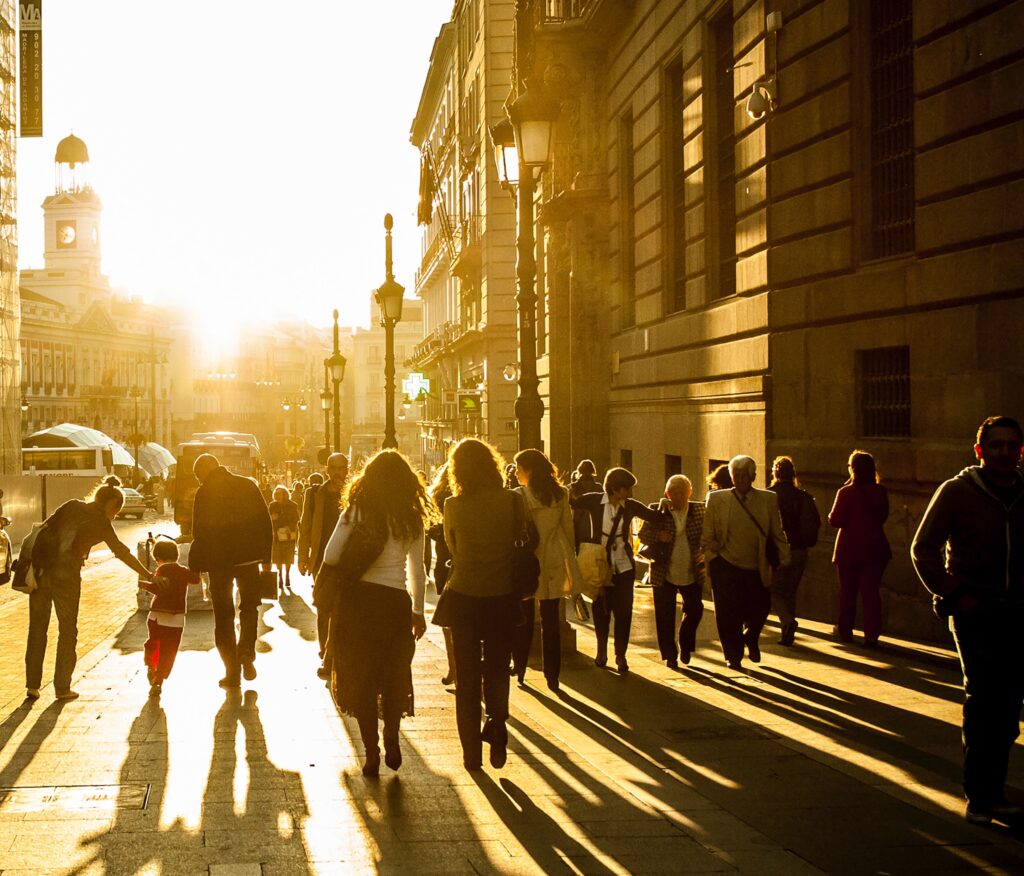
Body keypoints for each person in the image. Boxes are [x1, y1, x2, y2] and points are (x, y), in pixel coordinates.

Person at [911, 416, 1024, 825]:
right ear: (980, 451)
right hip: (977, 613)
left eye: (1013, 445)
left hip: (1019, 614)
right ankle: (981, 795)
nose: (1005, 452)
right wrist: (957, 595)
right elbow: (923, 550)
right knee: (984, 702)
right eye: (997, 445)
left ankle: (994, 790)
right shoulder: (957, 492)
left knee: (1010, 707)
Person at [322, 450, 429, 777]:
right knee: (392, 673)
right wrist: (418, 610)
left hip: (359, 604)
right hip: (394, 604)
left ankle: (371, 751)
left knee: (363, 678)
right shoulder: (410, 516)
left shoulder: (356, 512)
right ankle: (392, 735)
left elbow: (330, 554)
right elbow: (418, 570)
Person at [25, 476, 155, 700]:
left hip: (41, 571)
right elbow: (122, 552)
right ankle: (62, 687)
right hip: (66, 577)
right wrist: (148, 575)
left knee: (37, 629)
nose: (115, 515)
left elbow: (44, 530)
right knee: (68, 631)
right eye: (116, 510)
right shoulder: (101, 523)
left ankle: (32, 686)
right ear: (111, 504)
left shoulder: (71, 505)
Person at [442, 438, 526, 770]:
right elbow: (519, 538)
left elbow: (453, 549)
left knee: (467, 675)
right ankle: (497, 723)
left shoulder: (453, 505)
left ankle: (470, 754)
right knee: (496, 667)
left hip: (463, 596)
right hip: (501, 597)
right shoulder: (512, 502)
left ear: (457, 470)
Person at [188, 454, 273, 689]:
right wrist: (267, 558)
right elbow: (265, 522)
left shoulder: (204, 492)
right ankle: (246, 651)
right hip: (248, 561)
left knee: (223, 616)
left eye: (198, 477)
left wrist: (197, 566)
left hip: (219, 564)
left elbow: (199, 532)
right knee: (249, 607)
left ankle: (231, 672)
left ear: (203, 472)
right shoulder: (247, 484)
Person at [571, 467, 666, 673]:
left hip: (624, 566)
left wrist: (666, 504)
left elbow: (654, 517)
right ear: (616, 489)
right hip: (600, 565)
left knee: (624, 612)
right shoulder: (595, 501)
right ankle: (601, 651)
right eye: (628, 489)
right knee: (601, 610)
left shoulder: (630, 506)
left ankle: (620, 655)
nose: (631, 493)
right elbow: (572, 502)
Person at [701, 456, 790, 670]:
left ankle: (751, 637)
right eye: (736, 475)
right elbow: (707, 534)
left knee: (760, 608)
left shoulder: (768, 499)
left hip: (756, 565)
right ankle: (733, 654)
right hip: (725, 563)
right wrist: (711, 553)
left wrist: (784, 555)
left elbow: (776, 532)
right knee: (727, 613)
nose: (740, 480)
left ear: (753, 477)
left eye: (744, 475)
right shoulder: (716, 498)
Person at [511, 448, 579, 692]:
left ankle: (519, 667)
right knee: (551, 622)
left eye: (519, 468)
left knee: (524, 618)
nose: (516, 473)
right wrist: (570, 561)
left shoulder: (519, 496)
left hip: (527, 562)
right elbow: (568, 532)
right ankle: (553, 674)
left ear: (528, 470)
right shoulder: (561, 494)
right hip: (553, 559)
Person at [638, 474, 706, 668]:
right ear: (667, 493)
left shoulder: (699, 510)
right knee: (664, 615)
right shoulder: (658, 510)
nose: (678, 496)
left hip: (692, 571)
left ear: (690, 492)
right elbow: (642, 535)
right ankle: (669, 654)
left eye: (682, 492)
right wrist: (658, 534)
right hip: (663, 572)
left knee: (695, 610)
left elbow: (710, 531)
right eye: (673, 492)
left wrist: (705, 551)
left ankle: (685, 642)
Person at [828, 450, 891, 646]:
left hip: (849, 550)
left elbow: (835, 520)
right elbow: (883, 516)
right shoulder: (880, 491)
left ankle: (845, 631)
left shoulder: (845, 492)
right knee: (871, 593)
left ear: (853, 469)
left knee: (848, 593)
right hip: (875, 549)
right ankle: (872, 634)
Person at [299, 453, 348, 674]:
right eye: (334, 468)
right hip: (321, 558)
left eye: (342, 468)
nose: (338, 472)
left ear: (347, 470)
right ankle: (323, 649)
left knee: (344, 606)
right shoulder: (314, 494)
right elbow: (305, 527)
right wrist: (302, 557)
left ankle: (336, 649)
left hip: (348, 558)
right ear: (327, 470)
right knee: (323, 605)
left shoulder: (354, 493)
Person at [769, 457, 821, 646]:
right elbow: (816, 522)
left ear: (775, 473)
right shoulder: (803, 496)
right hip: (800, 550)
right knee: (790, 592)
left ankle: (787, 622)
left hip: (778, 551)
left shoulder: (769, 496)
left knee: (773, 590)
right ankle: (787, 634)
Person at [140, 540, 202, 697]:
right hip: (176, 620)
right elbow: (196, 579)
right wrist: (196, 565)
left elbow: (159, 589)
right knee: (169, 651)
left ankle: (151, 665)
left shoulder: (161, 570)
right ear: (177, 555)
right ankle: (158, 681)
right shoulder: (182, 571)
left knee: (153, 642)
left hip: (157, 616)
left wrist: (144, 584)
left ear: (157, 558)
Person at [426, 463, 457, 687]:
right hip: (461, 562)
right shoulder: (464, 496)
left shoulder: (439, 499)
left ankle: (454, 667)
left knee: (449, 620)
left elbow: (432, 530)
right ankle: (464, 667)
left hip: (446, 564)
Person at [269, 485, 300, 593]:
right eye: (277, 493)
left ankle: (287, 575)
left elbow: (296, 518)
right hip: (277, 535)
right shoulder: (272, 505)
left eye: (281, 493)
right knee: (277, 558)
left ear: (286, 494)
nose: (279, 495)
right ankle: (280, 577)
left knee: (288, 557)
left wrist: (289, 527)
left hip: (288, 535)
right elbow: (269, 520)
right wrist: (273, 519)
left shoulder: (292, 505)